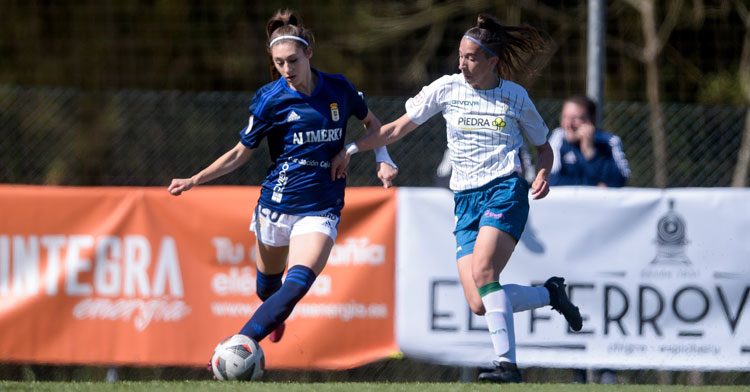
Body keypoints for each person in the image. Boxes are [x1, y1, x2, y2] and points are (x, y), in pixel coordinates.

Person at [331, 14, 583, 383]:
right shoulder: (447, 88)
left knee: (484, 271)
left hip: (505, 190)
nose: (461, 64)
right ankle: (550, 293)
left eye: (471, 58)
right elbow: (397, 128)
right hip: (464, 200)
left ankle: (508, 367)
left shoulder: (515, 97)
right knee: (480, 302)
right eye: (460, 56)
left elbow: (544, 149)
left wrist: (543, 173)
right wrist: (353, 148)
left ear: (492, 62)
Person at [168, 9, 397, 350]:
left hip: (322, 205)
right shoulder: (270, 99)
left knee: (297, 284)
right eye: (279, 63)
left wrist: (379, 157)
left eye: (292, 60)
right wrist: (195, 179)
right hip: (276, 204)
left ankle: (241, 342)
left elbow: (375, 126)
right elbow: (239, 153)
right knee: (267, 289)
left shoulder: (339, 88)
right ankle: (272, 314)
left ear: (308, 53)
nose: (287, 70)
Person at [549, 95, 630, 187]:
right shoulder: (557, 138)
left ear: (592, 119)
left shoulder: (610, 141)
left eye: (575, 118)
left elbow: (619, 181)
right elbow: (550, 181)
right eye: (565, 117)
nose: (568, 124)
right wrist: (595, 186)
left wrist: (591, 153)